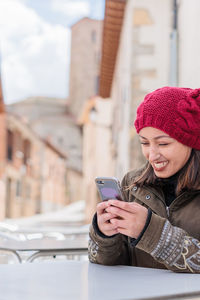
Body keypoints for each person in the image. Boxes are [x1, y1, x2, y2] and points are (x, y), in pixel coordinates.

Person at [88, 86, 200, 273]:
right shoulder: (132, 183)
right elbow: (104, 263)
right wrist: (104, 235)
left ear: (191, 140)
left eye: (163, 143)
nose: (152, 155)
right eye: (144, 143)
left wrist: (150, 231)